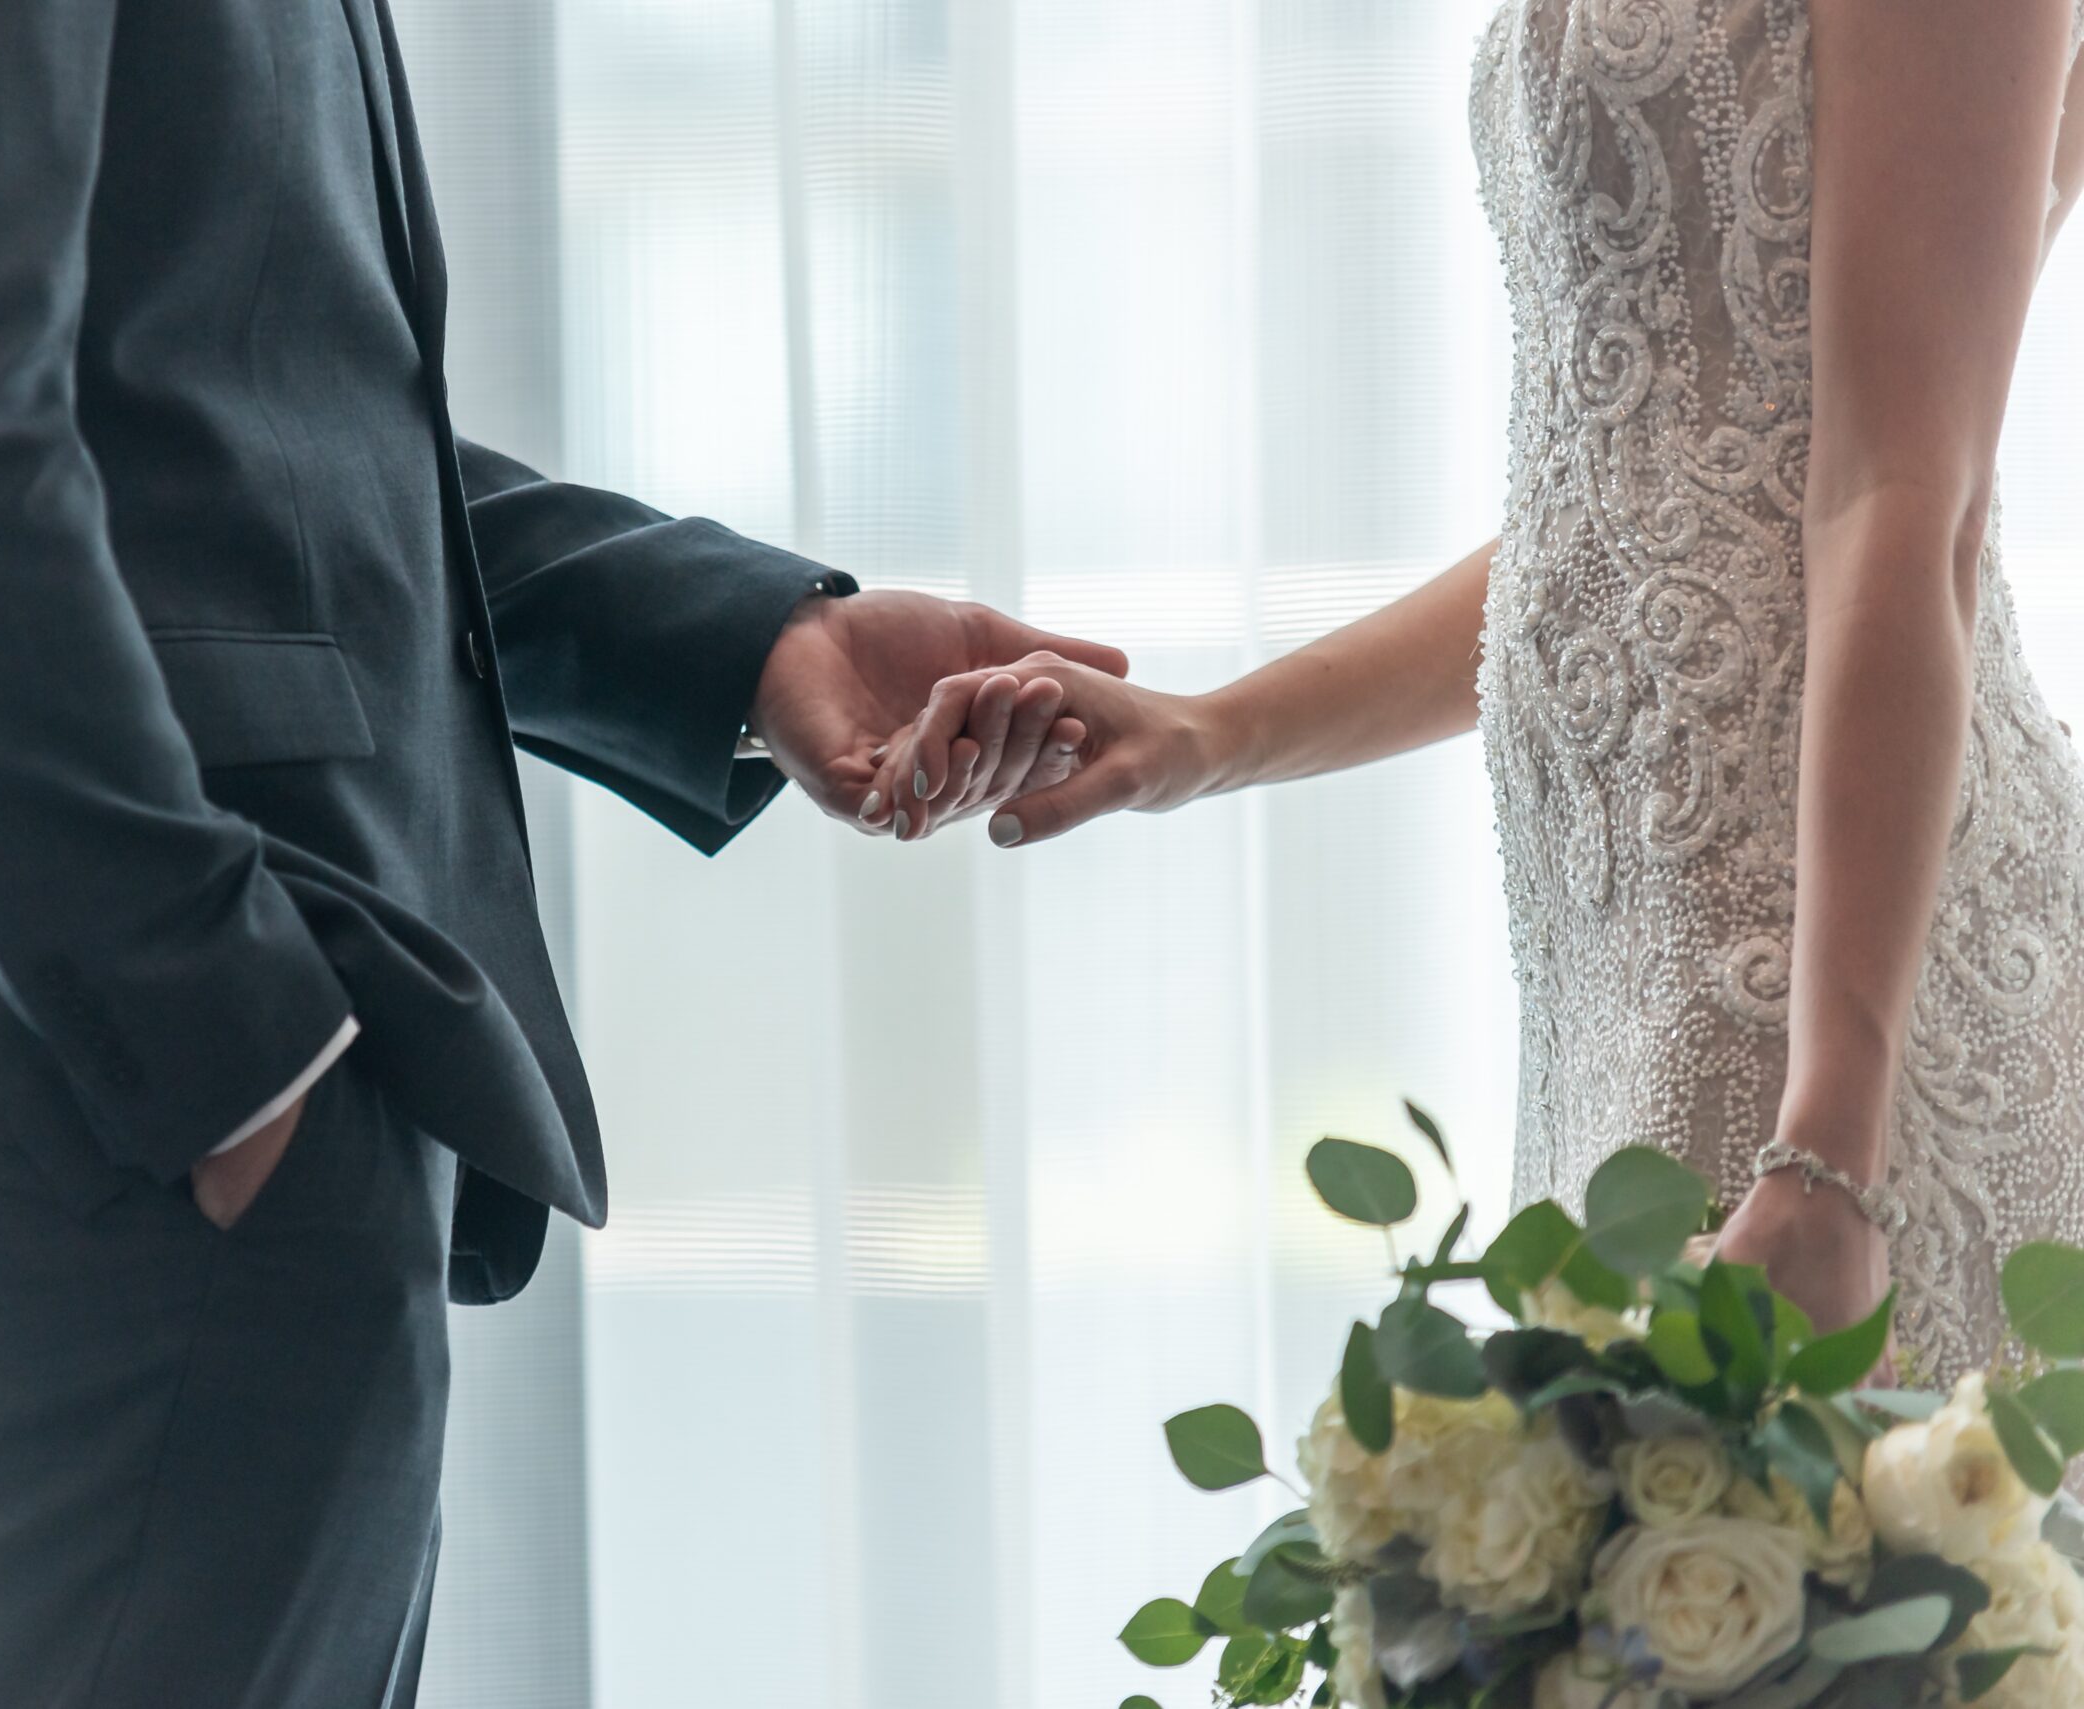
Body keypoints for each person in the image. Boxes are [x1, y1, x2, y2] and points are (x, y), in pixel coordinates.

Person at [0, 0, 1121, 1700]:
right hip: (136, 1134)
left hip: (227, 1147)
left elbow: (246, 440)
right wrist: (227, 1056)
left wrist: (748, 643)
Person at [884, 0, 2084, 1382]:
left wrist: (1833, 1147)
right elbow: (1640, 508)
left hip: (1842, 985)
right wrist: (1210, 734)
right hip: (1614, 967)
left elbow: (1902, 503)